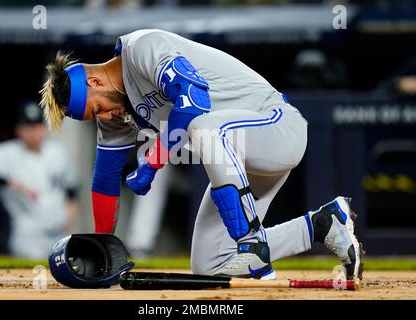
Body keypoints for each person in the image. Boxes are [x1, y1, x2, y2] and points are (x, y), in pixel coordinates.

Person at [40, 29, 363, 280]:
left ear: (95, 81)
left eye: (98, 109)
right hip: (238, 159)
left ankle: (252, 242)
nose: (106, 118)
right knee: (209, 265)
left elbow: (193, 101)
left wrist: (153, 161)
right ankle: (323, 225)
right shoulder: (117, 114)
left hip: (278, 127)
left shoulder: (142, 47)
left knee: (202, 126)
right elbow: (105, 181)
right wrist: (102, 249)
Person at [0, 101, 80, 259]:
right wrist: (10, 183)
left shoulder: (57, 152)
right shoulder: (6, 153)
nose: (33, 131)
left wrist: (71, 210)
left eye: (37, 125)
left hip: (59, 234)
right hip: (26, 237)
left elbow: (72, 185)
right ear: (19, 129)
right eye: (27, 126)